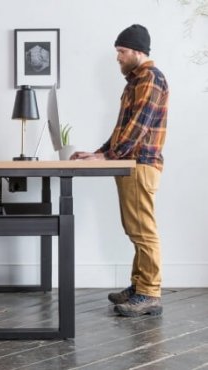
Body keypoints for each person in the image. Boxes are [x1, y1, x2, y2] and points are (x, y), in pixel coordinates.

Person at [71, 24, 169, 317]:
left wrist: (108, 156)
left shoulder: (150, 79)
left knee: (143, 231)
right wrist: (100, 153)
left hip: (140, 165)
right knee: (135, 229)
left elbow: (138, 129)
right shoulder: (135, 82)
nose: (118, 57)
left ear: (138, 51)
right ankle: (140, 286)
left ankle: (149, 293)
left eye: (122, 51)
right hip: (130, 163)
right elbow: (123, 130)